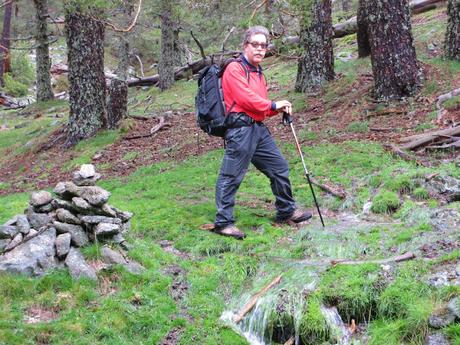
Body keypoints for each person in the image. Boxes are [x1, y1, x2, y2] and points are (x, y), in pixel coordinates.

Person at [213, 25, 312, 239]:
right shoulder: (234, 69)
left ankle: (286, 210)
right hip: (240, 131)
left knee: (279, 168)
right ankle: (223, 223)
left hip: (257, 129)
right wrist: (275, 105)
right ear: (245, 46)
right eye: (255, 44)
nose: (260, 49)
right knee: (231, 176)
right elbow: (246, 99)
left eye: (264, 46)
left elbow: (259, 107)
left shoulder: (257, 71)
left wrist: (277, 109)